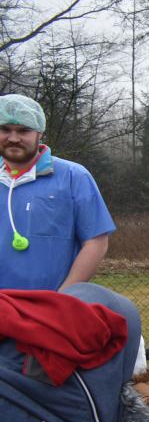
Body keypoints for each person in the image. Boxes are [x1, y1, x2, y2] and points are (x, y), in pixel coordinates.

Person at [0, 94, 114, 292]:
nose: (14, 138)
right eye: (5, 129)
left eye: (24, 130)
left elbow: (96, 241)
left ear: (40, 133)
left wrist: (64, 296)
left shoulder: (73, 177)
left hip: (50, 303)